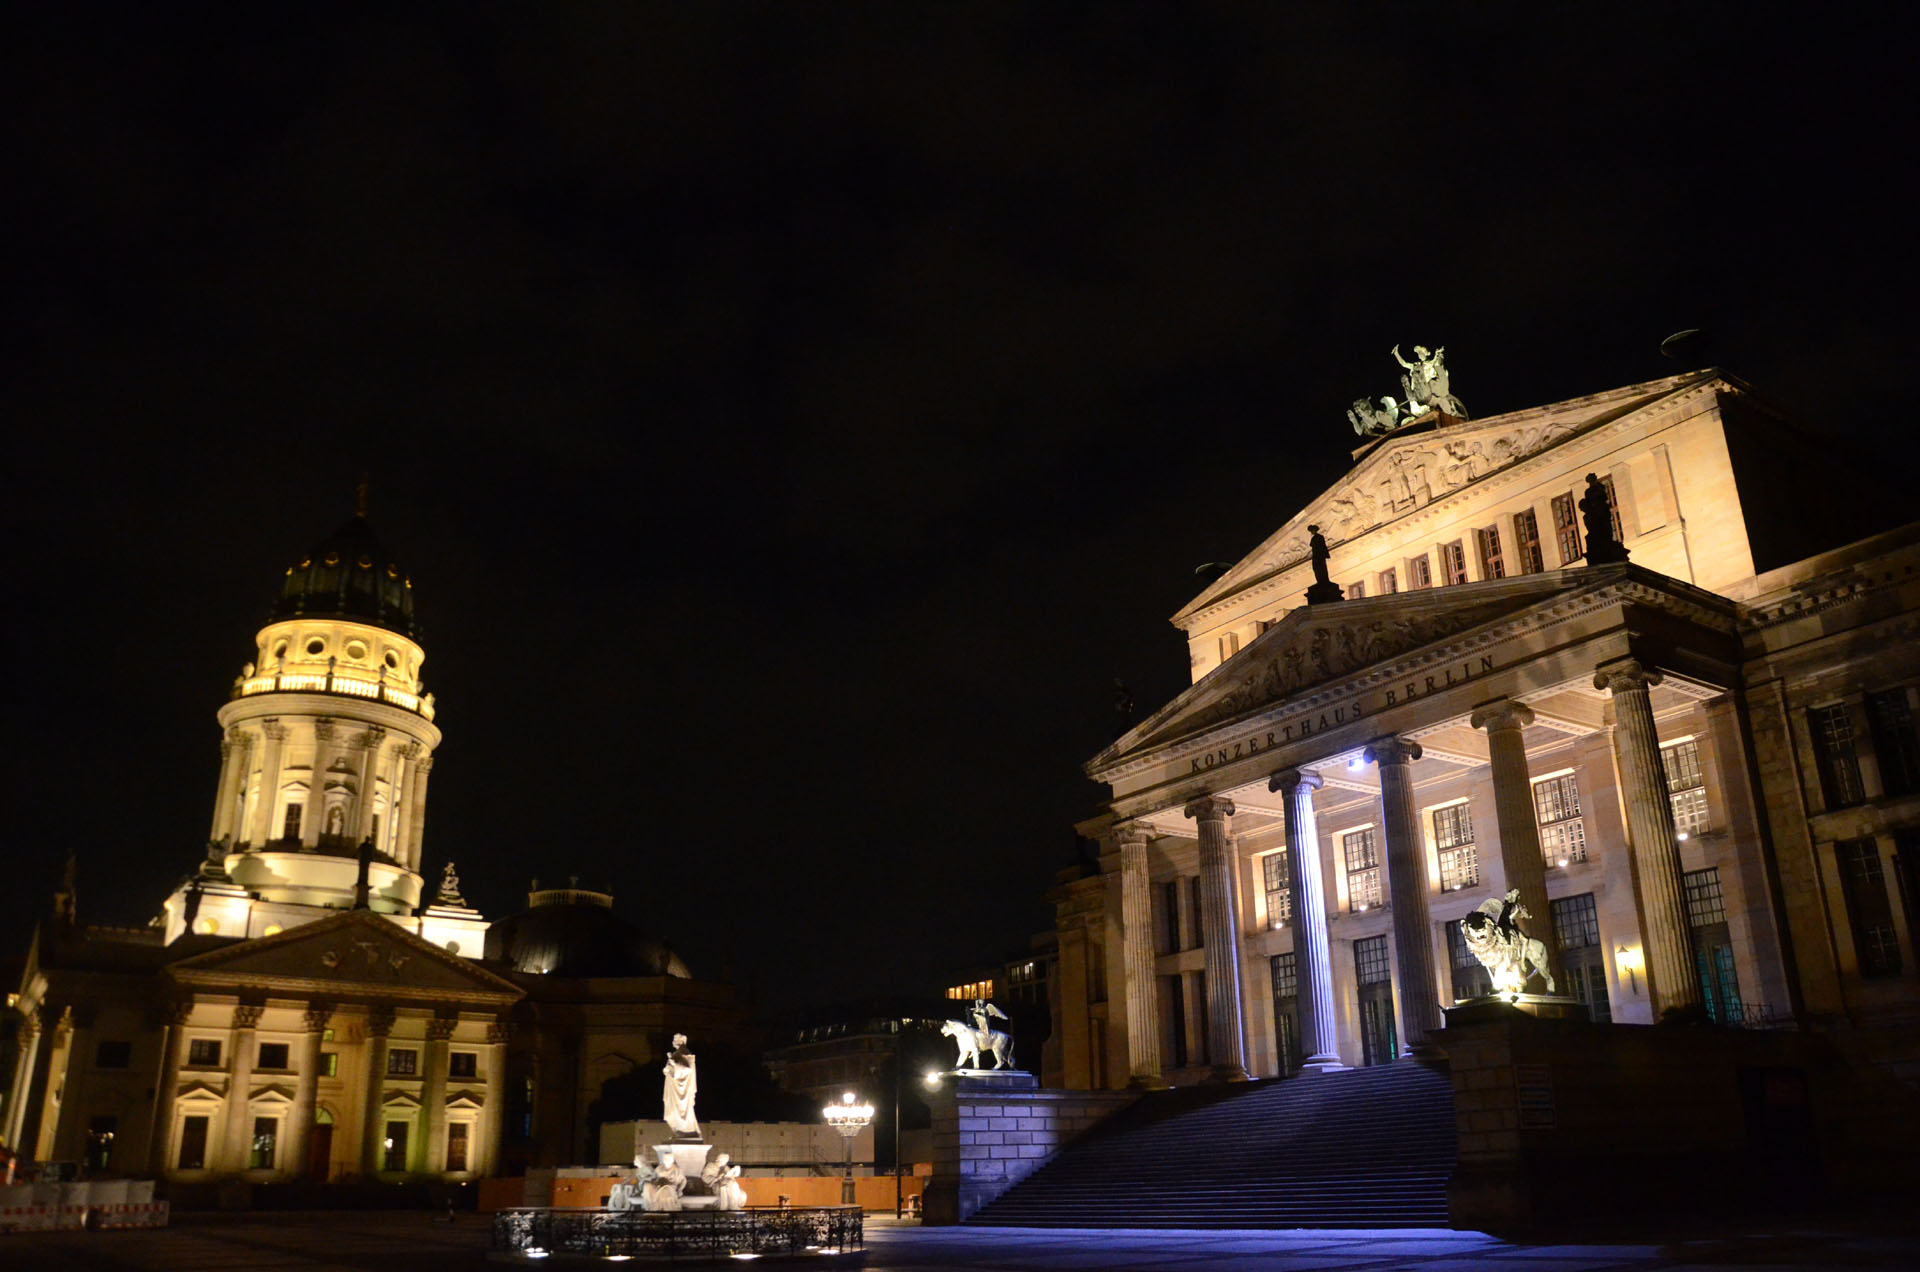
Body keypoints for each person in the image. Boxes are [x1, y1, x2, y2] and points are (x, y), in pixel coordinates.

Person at [662, 1033, 700, 1138]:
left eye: (676, 1039)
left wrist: (674, 1064)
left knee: (681, 1110)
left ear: (682, 1041)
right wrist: (667, 1070)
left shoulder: (685, 1053)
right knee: (672, 1111)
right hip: (673, 1088)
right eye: (673, 1039)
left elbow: (688, 1070)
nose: (673, 1041)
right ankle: (678, 1130)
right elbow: (669, 1070)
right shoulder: (675, 1054)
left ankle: (685, 1130)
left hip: (681, 1090)